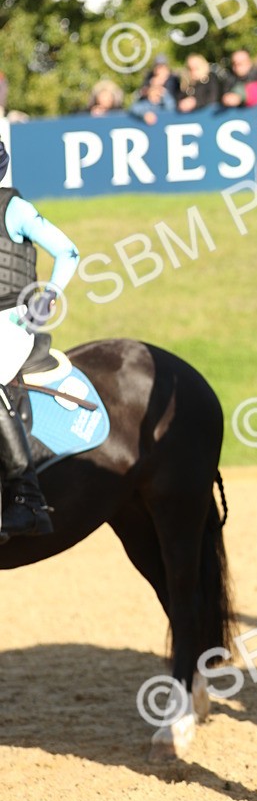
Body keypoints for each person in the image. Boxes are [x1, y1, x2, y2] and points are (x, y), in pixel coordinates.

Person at [0, 140, 80, 538]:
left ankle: (27, 497)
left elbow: (67, 251)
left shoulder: (15, 209)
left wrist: (47, 296)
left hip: (11, 323)